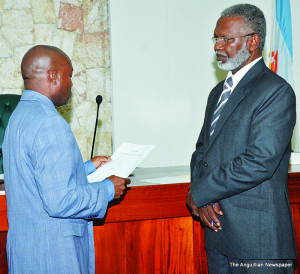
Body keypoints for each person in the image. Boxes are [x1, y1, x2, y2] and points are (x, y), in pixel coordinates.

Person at [186, 4, 297, 273]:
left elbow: (258, 162)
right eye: (216, 38)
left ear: (253, 42)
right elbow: (203, 151)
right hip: (217, 230)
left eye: (227, 39)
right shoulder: (217, 92)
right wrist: (204, 200)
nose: (218, 46)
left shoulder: (276, 91)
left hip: (258, 239)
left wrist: (199, 193)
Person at [3, 45, 130, 273]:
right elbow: (60, 201)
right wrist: (108, 189)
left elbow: (36, 177)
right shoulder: (49, 122)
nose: (71, 83)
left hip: (26, 251)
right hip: (52, 255)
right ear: (53, 75)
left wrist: (88, 168)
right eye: (69, 75)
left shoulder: (18, 117)